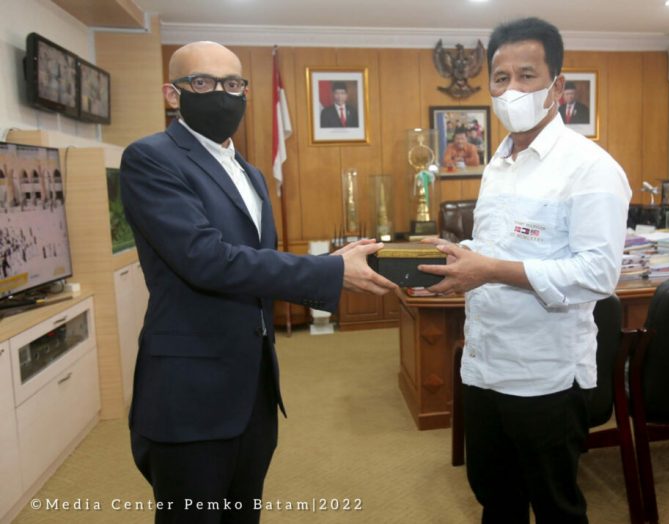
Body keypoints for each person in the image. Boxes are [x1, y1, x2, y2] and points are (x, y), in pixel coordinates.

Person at [120, 41, 396, 524]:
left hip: (252, 388)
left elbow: (257, 261)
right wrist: (328, 270)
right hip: (191, 393)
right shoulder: (151, 158)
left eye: (233, 84)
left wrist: (326, 269)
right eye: (202, 84)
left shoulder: (249, 171)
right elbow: (205, 260)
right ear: (172, 94)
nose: (221, 95)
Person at [419, 17, 631, 524]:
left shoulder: (590, 167)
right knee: (495, 498)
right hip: (485, 364)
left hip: (546, 377)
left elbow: (598, 274)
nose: (511, 89)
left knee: (557, 507)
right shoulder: (499, 161)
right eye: (500, 78)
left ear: (557, 87)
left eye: (527, 75)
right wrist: (462, 253)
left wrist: (488, 268)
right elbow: (500, 246)